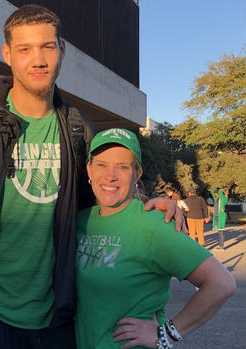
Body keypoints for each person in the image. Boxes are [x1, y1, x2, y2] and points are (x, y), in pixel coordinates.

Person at [0, 5, 184, 349]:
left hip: (58, 319)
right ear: (7, 54)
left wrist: (145, 203)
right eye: (24, 49)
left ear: (61, 50)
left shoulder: (78, 129)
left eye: (47, 47)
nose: (37, 59)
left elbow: (98, 207)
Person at [75, 129, 236, 349]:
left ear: (137, 173)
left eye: (122, 167)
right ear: (89, 170)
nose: (110, 175)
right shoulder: (78, 221)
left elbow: (221, 284)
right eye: (101, 165)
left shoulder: (154, 225)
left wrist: (167, 334)